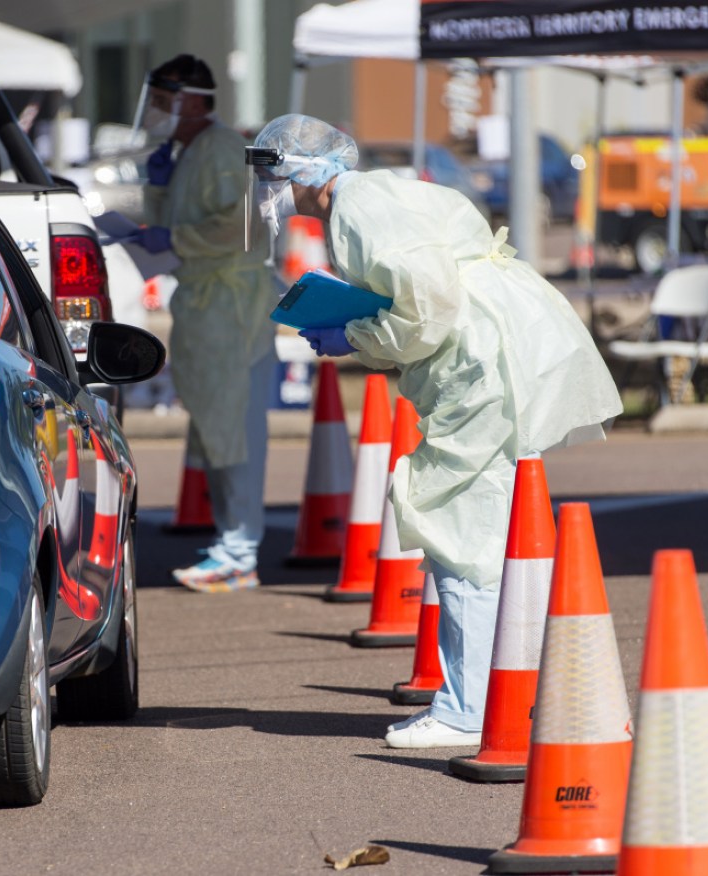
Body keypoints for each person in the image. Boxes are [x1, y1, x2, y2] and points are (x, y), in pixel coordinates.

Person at [248, 114, 622, 747]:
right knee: (487, 527)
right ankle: (503, 692)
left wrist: (354, 334)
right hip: (487, 351)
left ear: (300, 171)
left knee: (458, 528)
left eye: (272, 171)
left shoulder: (359, 207)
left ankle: (466, 709)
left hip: (474, 362)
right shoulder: (371, 196)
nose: (269, 190)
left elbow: (429, 306)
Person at [131, 55, 279, 593]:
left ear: (192, 100)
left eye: (163, 100)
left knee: (233, 432)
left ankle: (239, 549)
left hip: (230, 308)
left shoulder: (220, 148)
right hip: (207, 304)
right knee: (218, 430)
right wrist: (160, 195)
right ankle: (231, 542)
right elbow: (181, 224)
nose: (154, 111)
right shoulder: (191, 151)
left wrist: (174, 239)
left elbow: (241, 229)